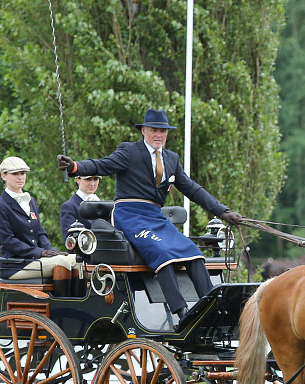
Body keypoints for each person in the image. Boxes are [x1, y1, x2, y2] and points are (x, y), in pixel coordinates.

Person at [56, 108, 243, 325]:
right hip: (130, 215)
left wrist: (223, 211)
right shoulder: (129, 151)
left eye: (163, 131)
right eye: (154, 130)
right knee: (161, 252)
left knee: (193, 252)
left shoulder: (171, 159)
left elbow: (192, 189)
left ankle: (213, 308)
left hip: (155, 216)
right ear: (144, 131)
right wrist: (76, 167)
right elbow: (102, 165)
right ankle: (182, 313)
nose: (158, 135)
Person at [0, 156, 78, 281]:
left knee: (77, 260)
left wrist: (51, 250)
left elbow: (40, 232)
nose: (20, 177)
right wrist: (39, 252)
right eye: (15, 174)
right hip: (16, 266)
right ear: (3, 176)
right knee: (63, 262)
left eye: (23, 173)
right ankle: (64, 300)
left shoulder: (31, 201)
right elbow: (8, 240)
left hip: (36, 260)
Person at [59, 175, 102, 242]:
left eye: (96, 179)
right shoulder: (69, 207)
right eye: (88, 179)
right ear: (78, 179)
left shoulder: (102, 205)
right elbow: (70, 240)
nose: (92, 184)